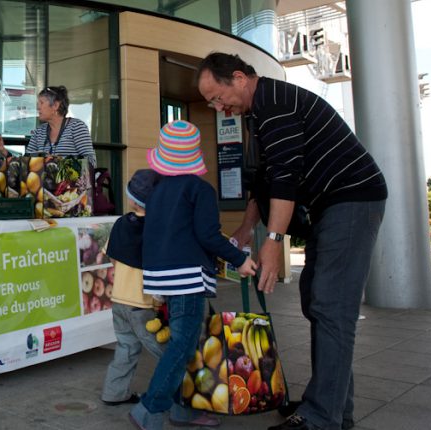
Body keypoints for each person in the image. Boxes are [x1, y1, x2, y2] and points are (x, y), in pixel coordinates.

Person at [197, 52, 388, 430]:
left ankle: (322, 416)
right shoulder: (259, 111)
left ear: (239, 78)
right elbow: (263, 180)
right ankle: (331, 404)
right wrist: (246, 229)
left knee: (331, 306)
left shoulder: (275, 104)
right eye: (210, 104)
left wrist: (272, 240)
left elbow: (285, 176)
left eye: (218, 97)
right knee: (317, 300)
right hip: (330, 206)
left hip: (351, 197)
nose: (218, 107)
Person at [129, 120, 257, 430]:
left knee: (184, 342)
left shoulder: (156, 190)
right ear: (193, 155)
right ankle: (150, 407)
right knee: (183, 346)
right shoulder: (200, 189)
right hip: (187, 278)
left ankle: (181, 408)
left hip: (162, 276)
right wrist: (240, 259)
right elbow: (208, 235)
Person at [101, 169, 164, 407]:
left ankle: (114, 393)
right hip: (143, 304)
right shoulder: (158, 229)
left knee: (126, 347)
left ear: (130, 198)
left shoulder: (120, 223)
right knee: (164, 352)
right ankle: (181, 393)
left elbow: (113, 257)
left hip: (119, 300)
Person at [0, 85, 96, 167]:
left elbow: (91, 163)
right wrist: (3, 150)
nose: (38, 107)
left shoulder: (77, 127)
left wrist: (57, 162)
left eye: (41, 103)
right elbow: (25, 165)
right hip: (43, 191)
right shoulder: (39, 132)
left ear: (55, 105)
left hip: (71, 192)